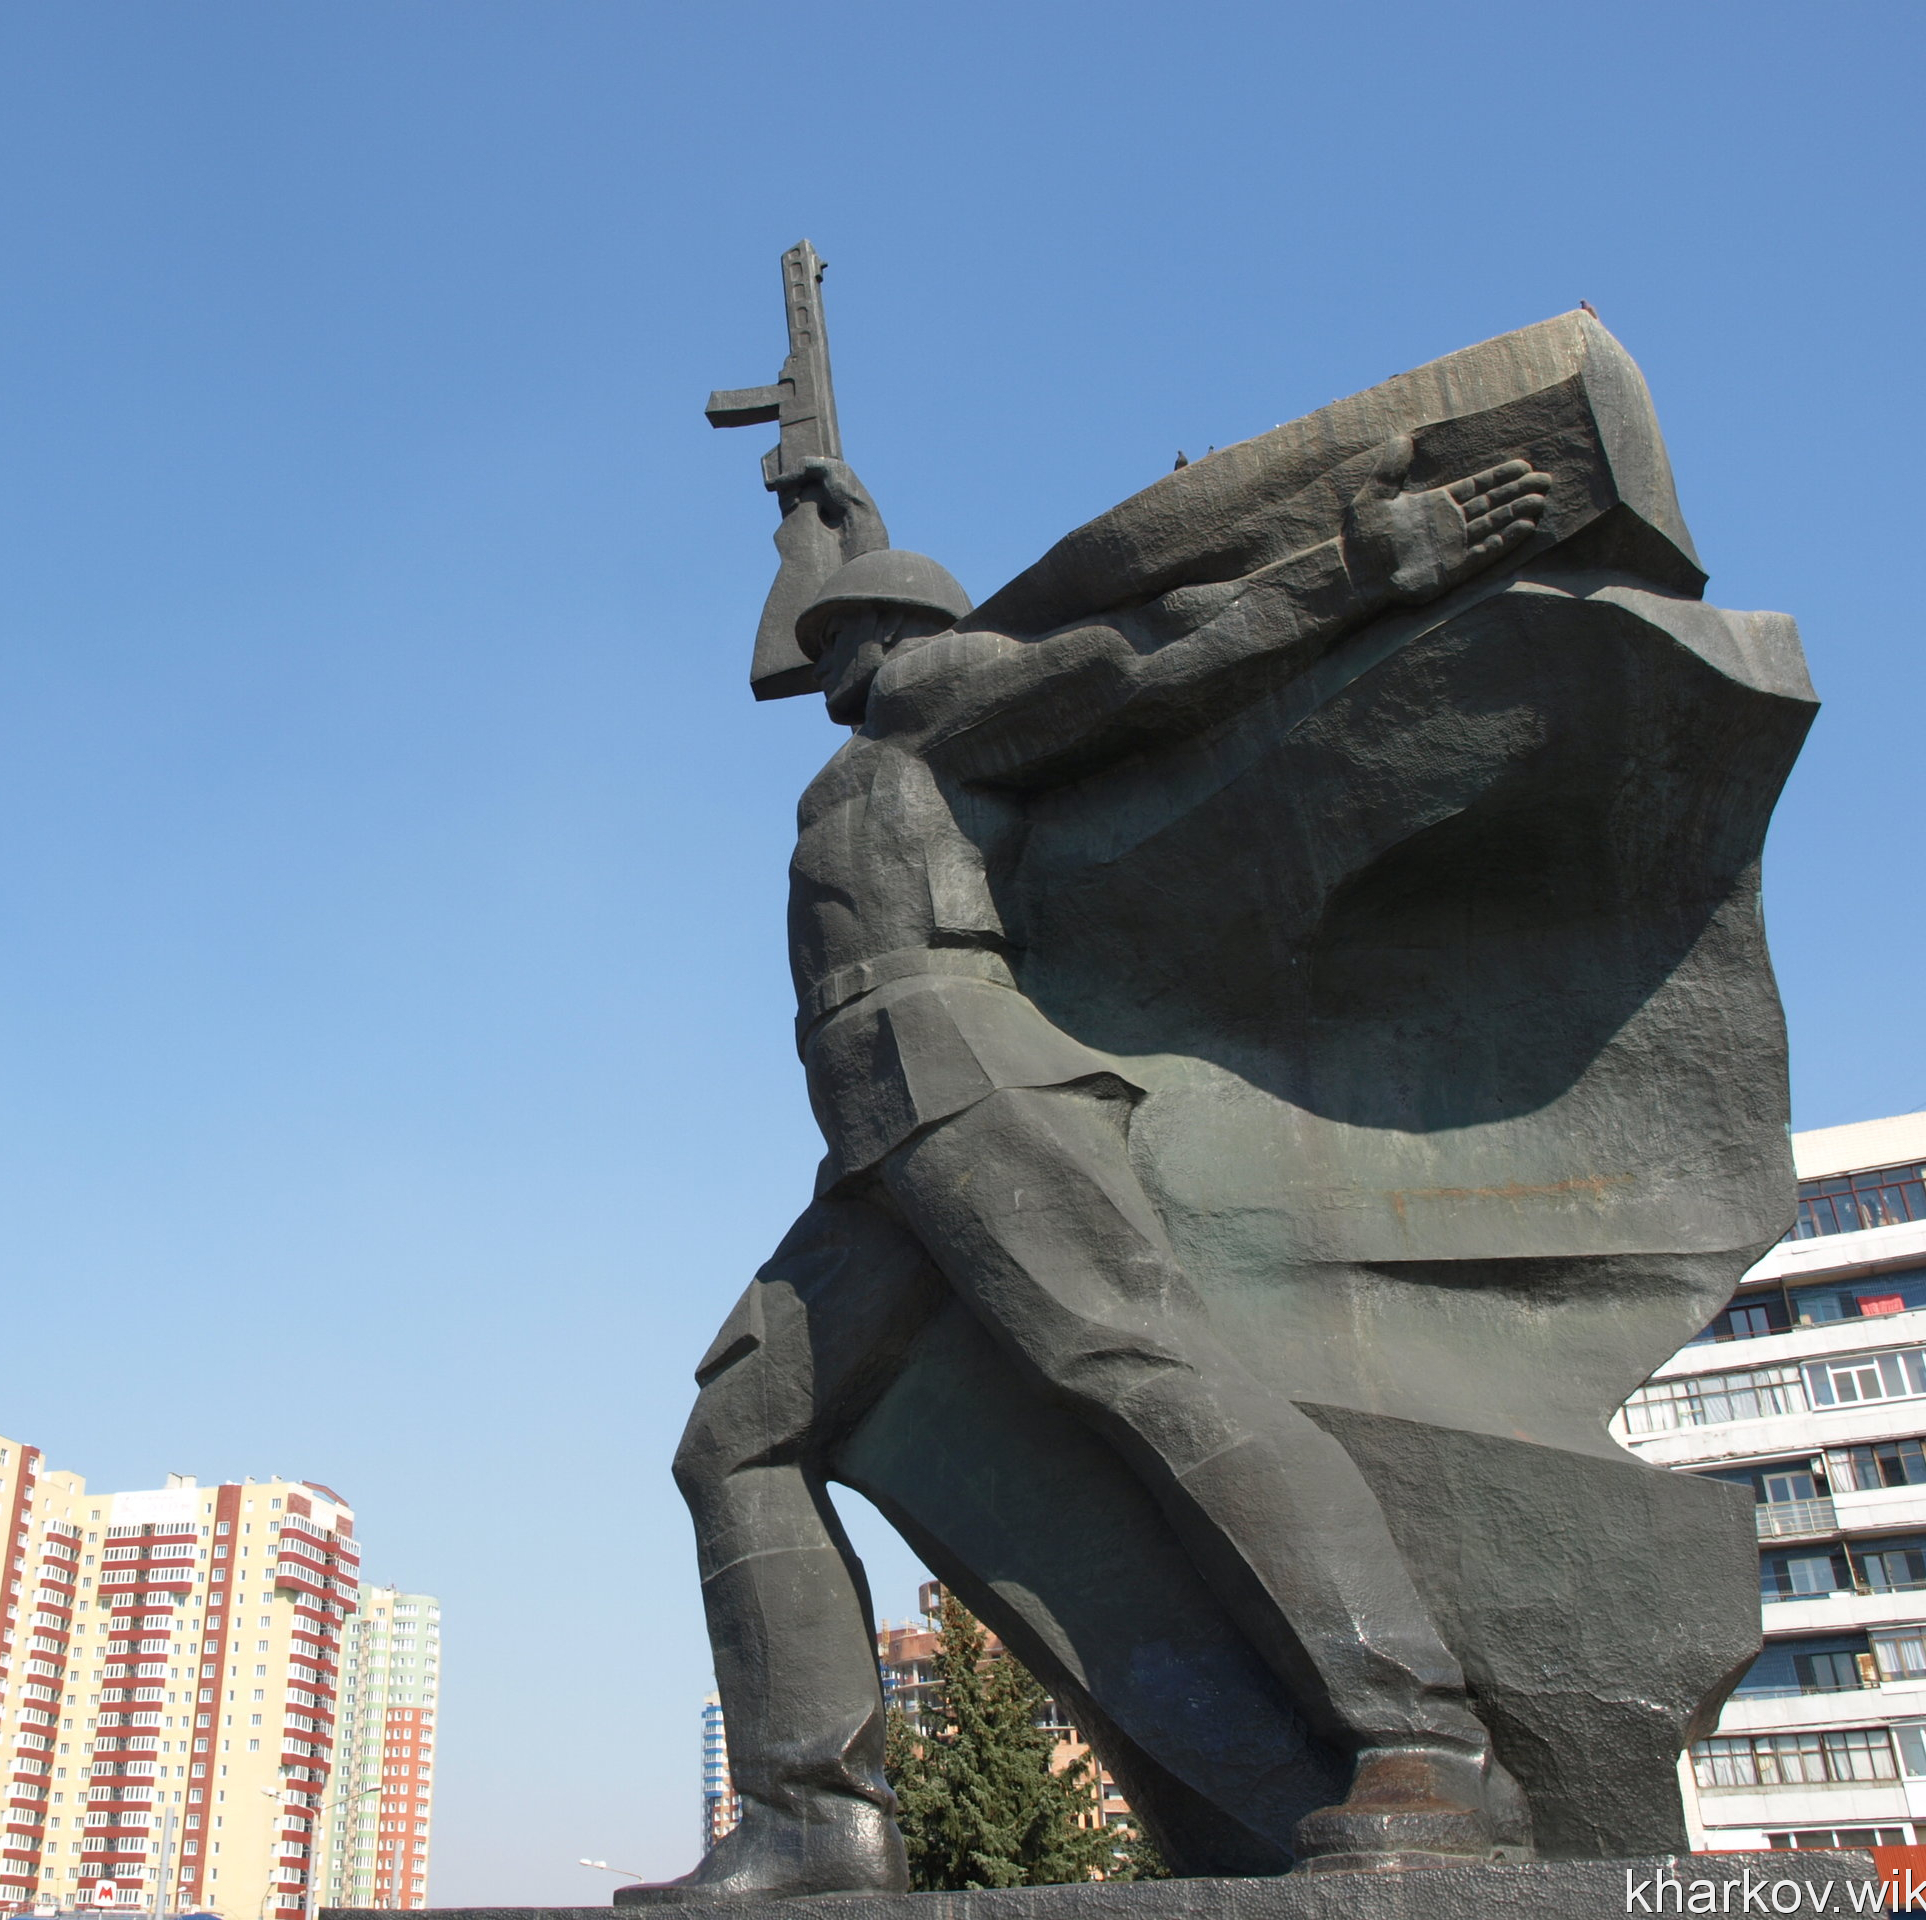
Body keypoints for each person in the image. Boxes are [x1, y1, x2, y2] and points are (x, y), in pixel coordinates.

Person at [619, 439, 1553, 1903]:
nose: (826, 656)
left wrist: (1352, 569)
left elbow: (1132, 667)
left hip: (967, 1079)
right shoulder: (879, 742)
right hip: (876, 1137)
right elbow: (875, 630)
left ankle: (1425, 1740)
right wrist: (834, 523)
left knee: (1148, 1372)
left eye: (845, 632)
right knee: (737, 1438)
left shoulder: (935, 695)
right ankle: (816, 1821)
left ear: (889, 637)